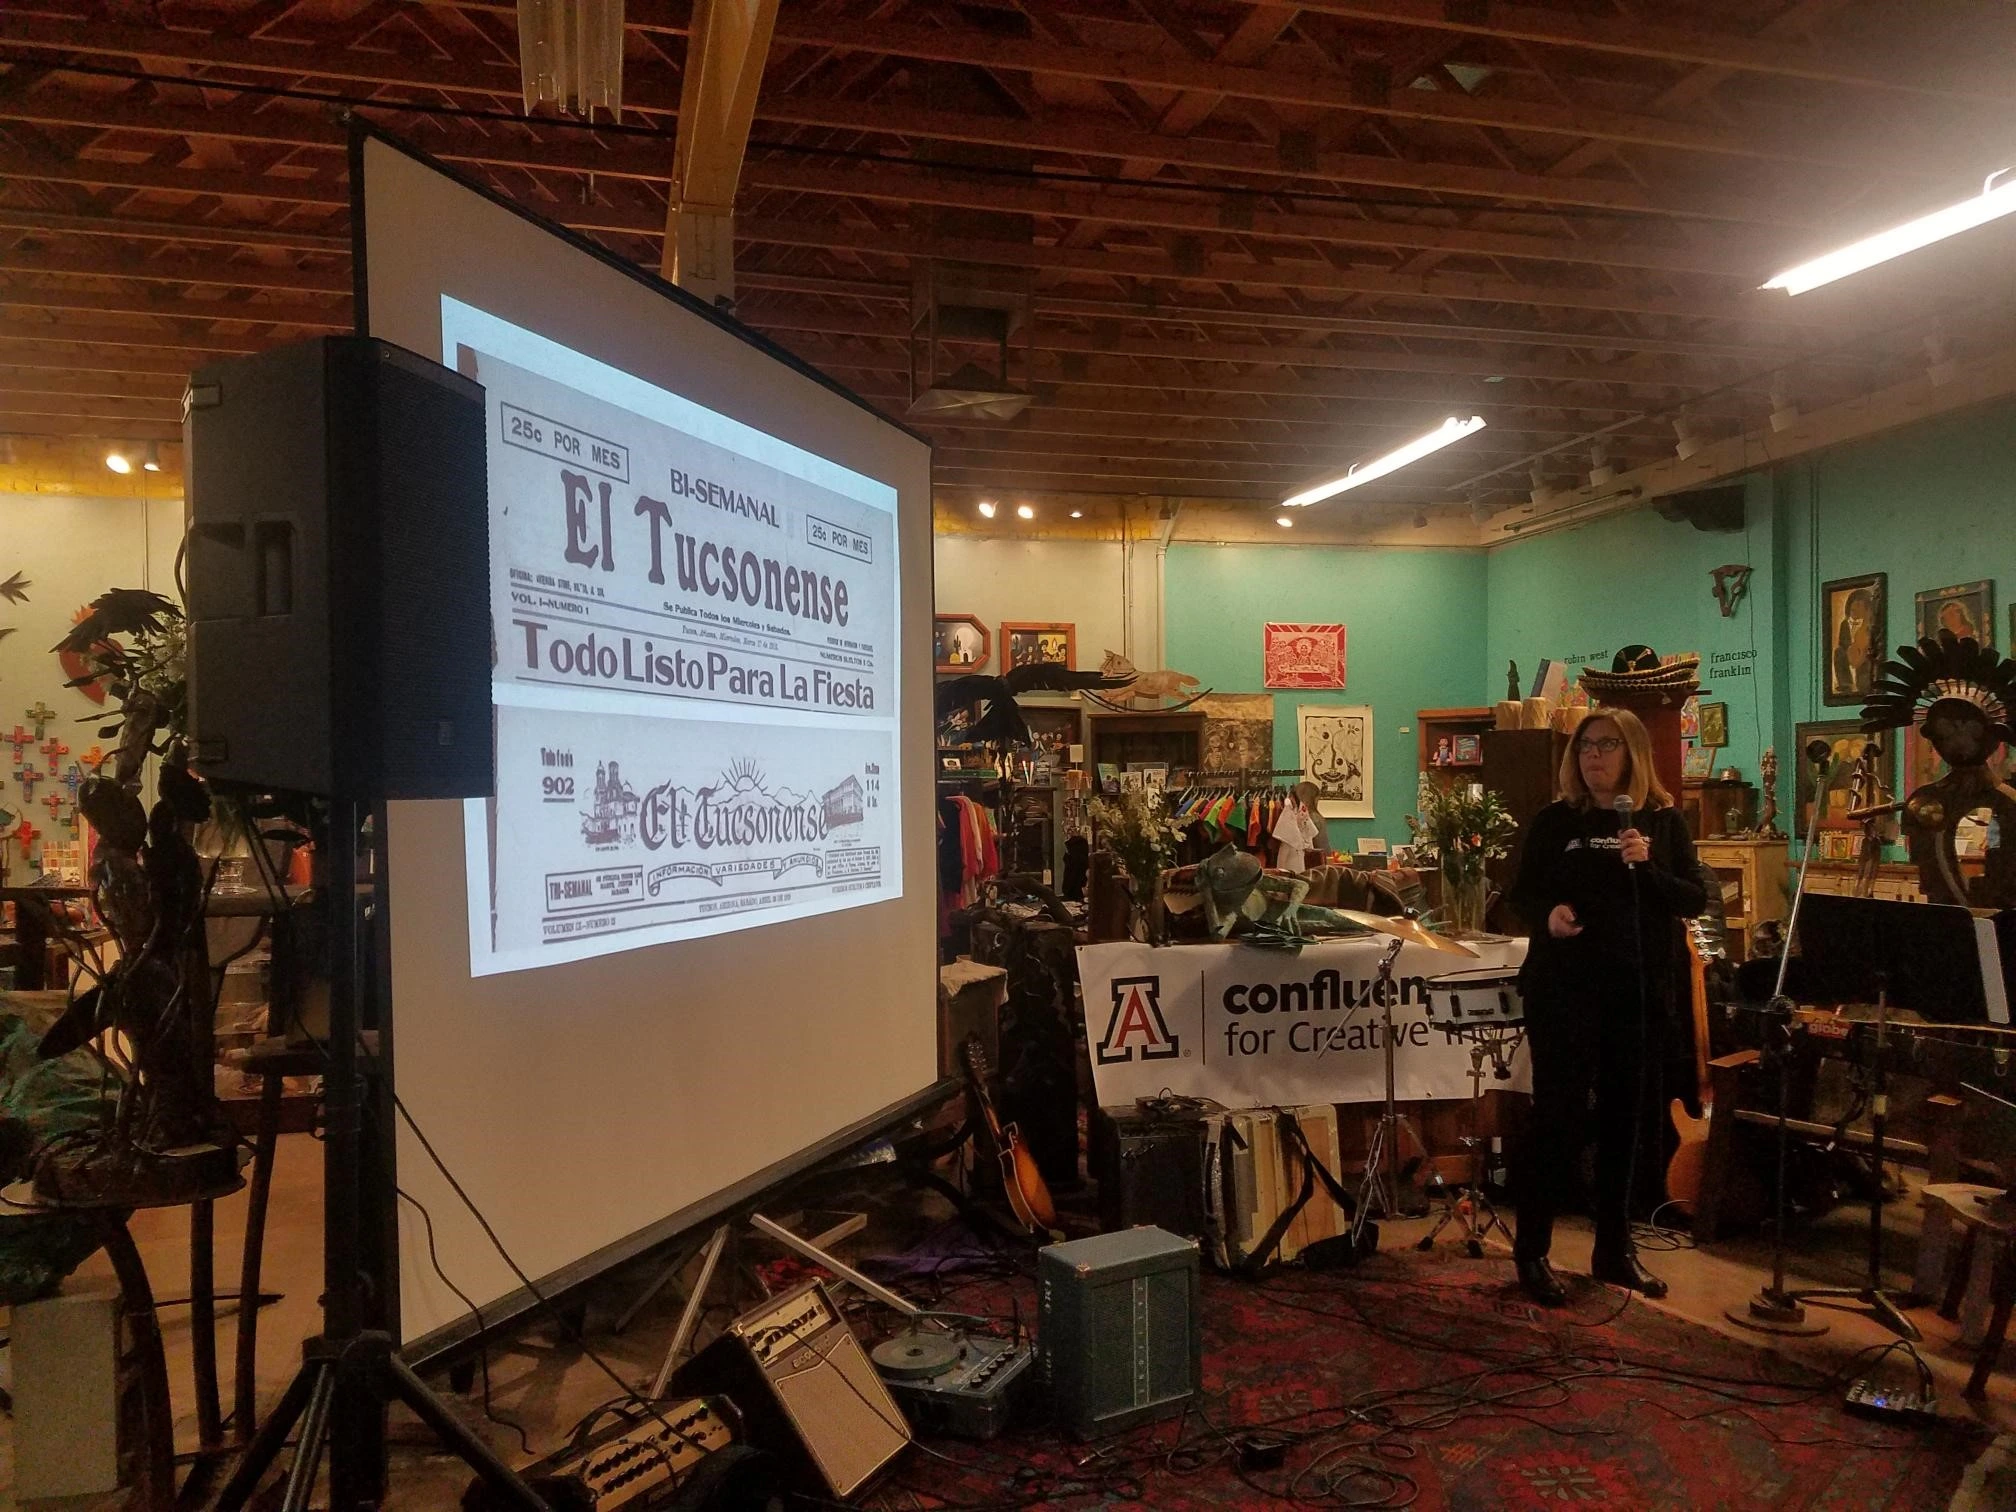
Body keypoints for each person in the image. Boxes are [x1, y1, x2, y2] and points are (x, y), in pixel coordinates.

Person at [1507, 707, 1705, 1306]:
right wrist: (1548, 916)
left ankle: (1614, 1251)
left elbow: (1694, 898)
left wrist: (1650, 867)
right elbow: (1520, 894)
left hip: (1636, 992)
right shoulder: (1555, 820)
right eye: (1586, 746)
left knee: (1627, 1122)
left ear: (1633, 754)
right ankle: (1532, 1251)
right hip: (1563, 991)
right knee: (1558, 1119)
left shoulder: (1662, 823)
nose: (1593, 755)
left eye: (1607, 745)